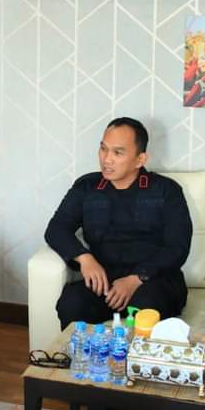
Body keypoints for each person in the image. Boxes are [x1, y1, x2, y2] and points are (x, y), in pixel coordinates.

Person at [45, 117, 192, 330]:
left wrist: (136, 278)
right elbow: (56, 229)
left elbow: (177, 247)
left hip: (153, 281)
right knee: (72, 303)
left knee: (145, 308)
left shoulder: (166, 191)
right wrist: (84, 258)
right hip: (105, 280)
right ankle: (82, 352)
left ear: (140, 159)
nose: (107, 159)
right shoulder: (87, 187)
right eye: (103, 149)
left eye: (118, 153)